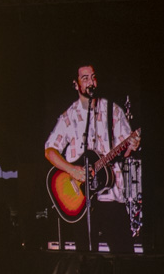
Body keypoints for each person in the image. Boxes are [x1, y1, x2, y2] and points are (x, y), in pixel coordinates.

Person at [44, 65, 141, 253]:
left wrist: (132, 144)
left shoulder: (113, 111)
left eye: (93, 77)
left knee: (125, 255)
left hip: (111, 196)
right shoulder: (69, 117)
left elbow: (126, 150)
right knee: (87, 259)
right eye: (85, 78)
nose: (90, 82)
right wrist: (72, 170)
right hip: (81, 202)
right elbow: (50, 151)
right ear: (76, 84)